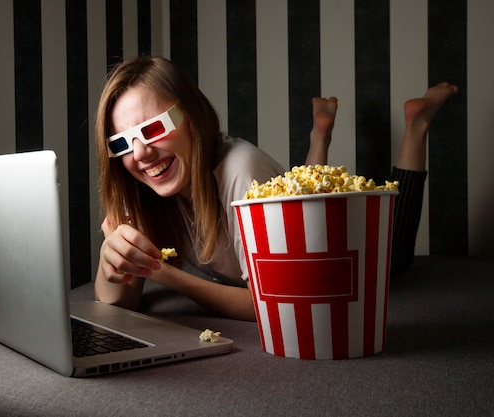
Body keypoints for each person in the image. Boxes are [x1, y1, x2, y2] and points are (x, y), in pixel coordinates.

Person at [94, 55, 458, 321]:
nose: (140, 153)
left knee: (396, 255)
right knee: (306, 200)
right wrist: (111, 257)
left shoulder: (241, 170)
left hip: (331, 258)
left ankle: (418, 124)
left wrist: (163, 274)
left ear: (192, 115)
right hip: (300, 234)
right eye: (122, 143)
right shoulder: (144, 188)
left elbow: (276, 301)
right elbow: (117, 300)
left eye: (154, 129)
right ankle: (319, 137)